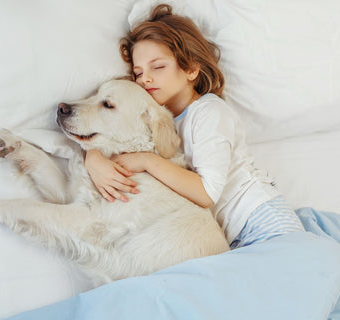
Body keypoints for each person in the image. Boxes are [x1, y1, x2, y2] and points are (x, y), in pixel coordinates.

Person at [85, 4, 304, 248]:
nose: (144, 79)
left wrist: (147, 160)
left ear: (191, 69)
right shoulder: (154, 118)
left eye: (158, 67)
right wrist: (93, 159)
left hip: (262, 220)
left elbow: (206, 193)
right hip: (231, 236)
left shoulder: (210, 113)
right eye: (137, 73)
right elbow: (113, 136)